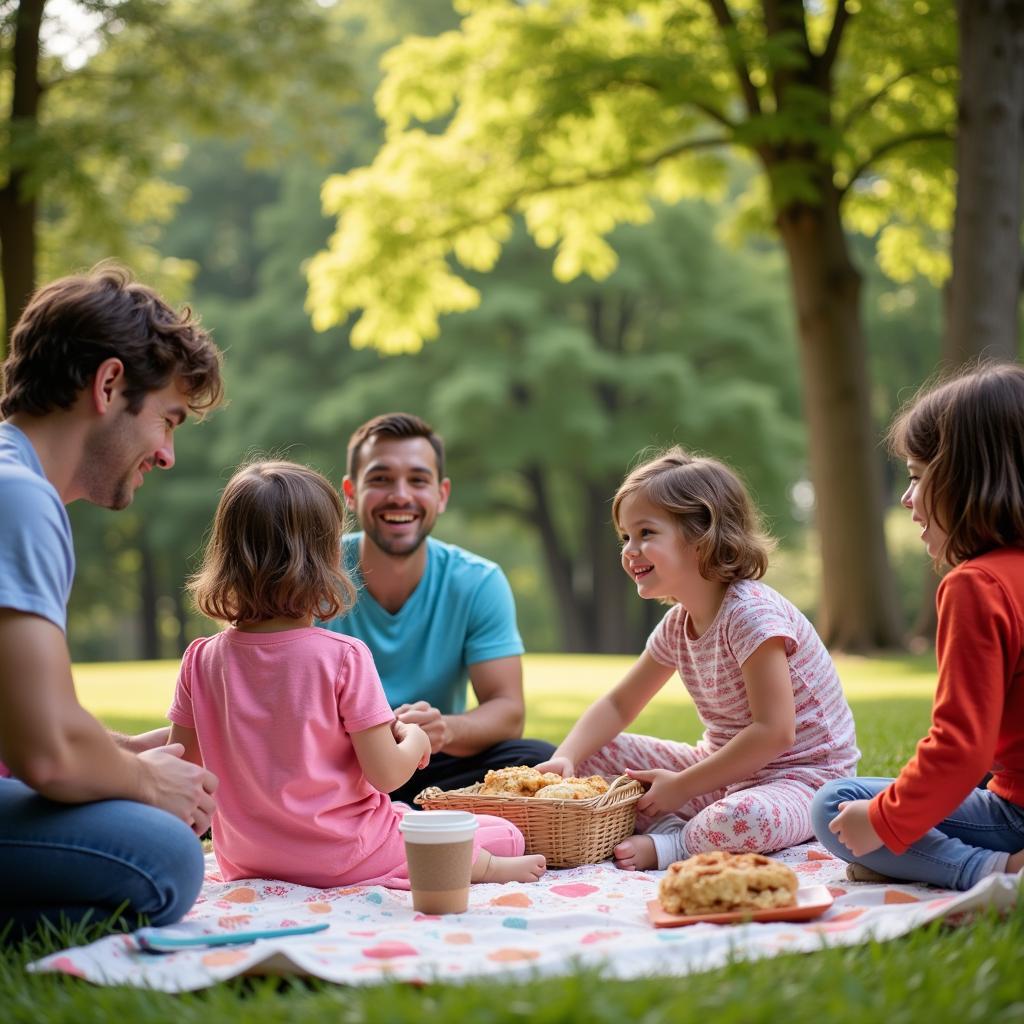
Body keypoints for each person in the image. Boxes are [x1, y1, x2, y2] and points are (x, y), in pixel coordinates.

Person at [167, 460, 545, 888]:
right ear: (327, 558)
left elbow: (182, 768)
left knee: (407, 819)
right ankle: (486, 869)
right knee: (505, 835)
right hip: (345, 854)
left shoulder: (200, 659)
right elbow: (386, 775)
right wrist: (416, 740)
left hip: (246, 859)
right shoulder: (343, 656)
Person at [0, 265, 223, 937]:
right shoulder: (19, 497)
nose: (168, 455)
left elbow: (25, 723)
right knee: (164, 853)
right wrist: (148, 783)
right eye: (168, 420)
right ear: (108, 385)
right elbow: (48, 756)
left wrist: (128, 753)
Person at [537, 446, 859, 871]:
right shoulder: (677, 625)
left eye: (646, 533)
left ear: (702, 536)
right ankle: (675, 821)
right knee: (593, 755)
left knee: (743, 819)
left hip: (803, 780)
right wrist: (566, 757)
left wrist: (683, 786)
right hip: (720, 771)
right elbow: (619, 705)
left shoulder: (750, 614)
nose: (629, 550)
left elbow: (774, 731)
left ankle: (676, 843)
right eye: (625, 537)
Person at [812, 363, 1024, 891]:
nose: (908, 501)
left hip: (1016, 813)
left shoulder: (977, 586)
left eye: (915, 476)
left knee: (836, 806)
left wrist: (882, 822)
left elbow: (961, 749)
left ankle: (996, 874)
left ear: (963, 477)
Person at [320, 413, 555, 804]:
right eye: (380, 479)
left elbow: (508, 711)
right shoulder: (314, 573)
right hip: (333, 766)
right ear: (350, 492)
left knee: (538, 759)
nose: (400, 495)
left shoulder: (478, 581)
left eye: (418, 480)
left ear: (441, 494)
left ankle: (393, 817)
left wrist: (443, 728)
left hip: (428, 764)